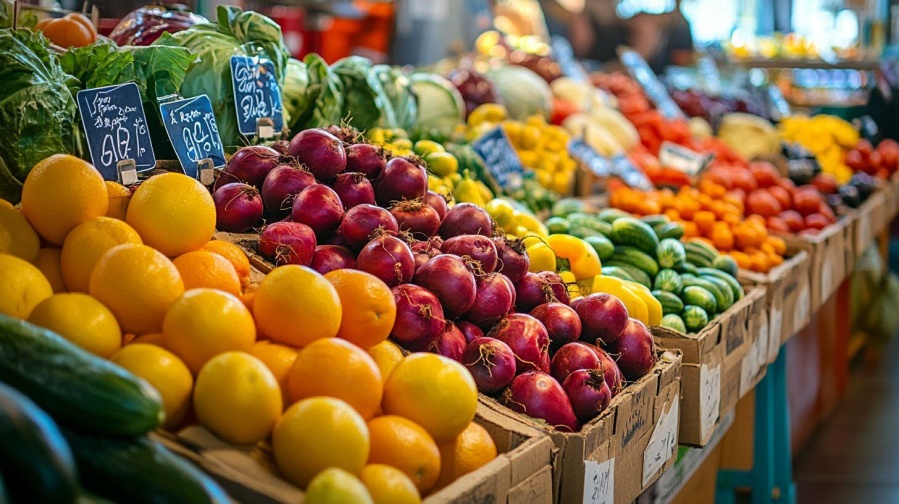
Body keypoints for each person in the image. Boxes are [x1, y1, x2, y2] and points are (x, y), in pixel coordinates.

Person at [569, 0, 632, 65]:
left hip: (619, 68)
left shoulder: (628, 21)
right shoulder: (582, 19)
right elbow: (580, 50)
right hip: (591, 67)